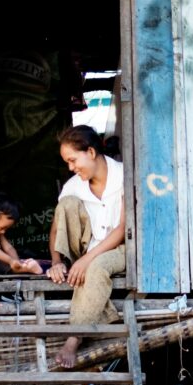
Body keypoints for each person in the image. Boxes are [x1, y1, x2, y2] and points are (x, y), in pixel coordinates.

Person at [47, 126, 125, 368]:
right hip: (85, 250)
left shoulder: (124, 176)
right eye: (67, 162)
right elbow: (56, 229)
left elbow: (123, 228)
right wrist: (56, 261)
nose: (71, 168)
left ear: (91, 152)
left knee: (97, 267)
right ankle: (101, 308)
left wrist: (86, 261)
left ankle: (74, 338)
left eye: (73, 160)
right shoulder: (73, 185)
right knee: (66, 204)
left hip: (121, 248)